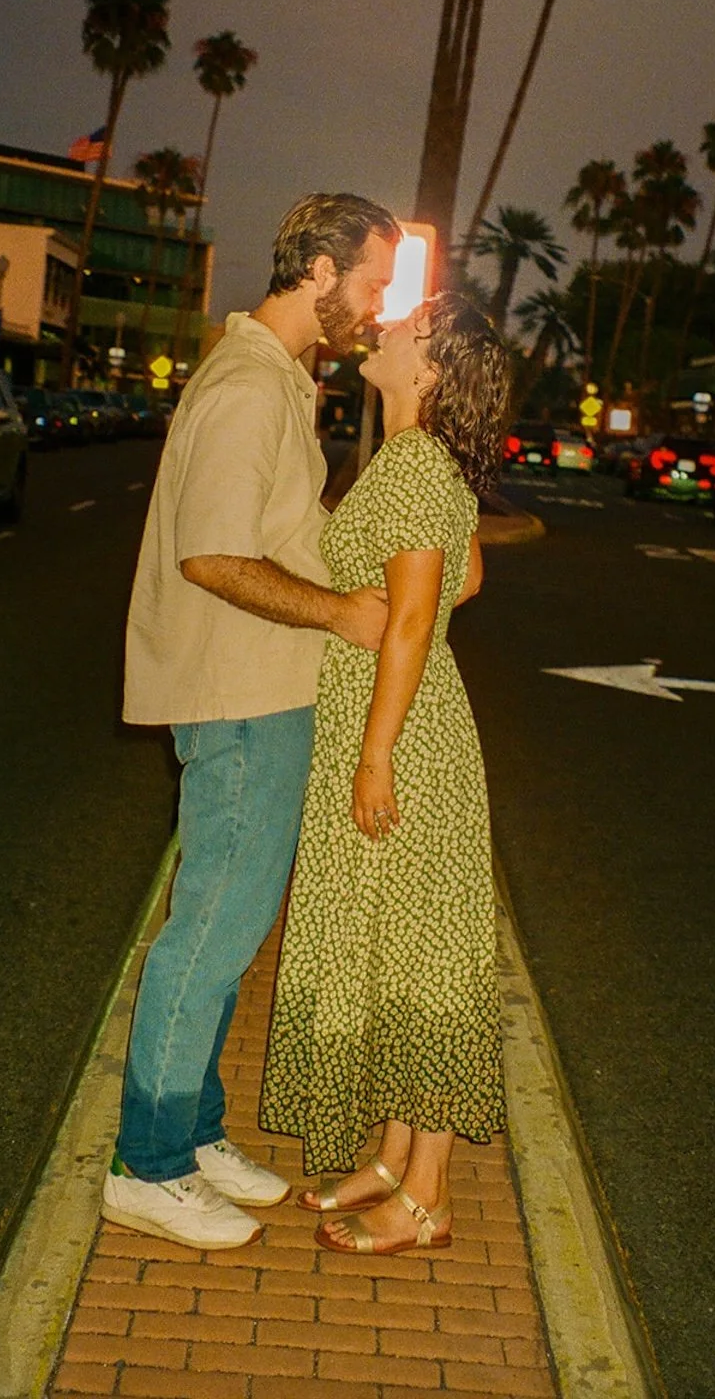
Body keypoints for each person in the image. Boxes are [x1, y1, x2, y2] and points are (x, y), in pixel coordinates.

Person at [102, 193, 400, 1251]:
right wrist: (340, 614)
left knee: (229, 929)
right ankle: (147, 1165)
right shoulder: (245, 385)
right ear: (318, 271)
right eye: (370, 284)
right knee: (210, 931)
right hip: (236, 696)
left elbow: (276, 529)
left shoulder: (275, 377)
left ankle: (192, 1130)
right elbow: (212, 556)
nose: (376, 307)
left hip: (264, 689)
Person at [259, 290, 512, 1256]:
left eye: (410, 328)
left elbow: (413, 616)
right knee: (403, 944)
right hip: (409, 720)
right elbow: (465, 578)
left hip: (401, 737)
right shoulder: (421, 460)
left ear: (429, 369)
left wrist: (375, 754)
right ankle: (396, 1160)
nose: (389, 327)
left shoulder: (411, 464)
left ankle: (429, 1197)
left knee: (426, 957)